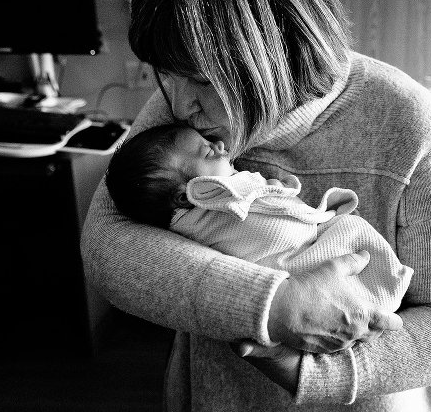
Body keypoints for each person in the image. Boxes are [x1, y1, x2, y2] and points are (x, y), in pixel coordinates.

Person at [81, 0, 431, 411]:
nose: (181, 104)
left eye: (202, 79)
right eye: (165, 74)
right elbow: (106, 243)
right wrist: (275, 304)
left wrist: (314, 372)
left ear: (275, 53)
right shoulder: (184, 111)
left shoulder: (406, 120)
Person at [104, 123, 413, 318]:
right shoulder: (216, 198)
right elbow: (278, 226)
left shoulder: (199, 208)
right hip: (290, 266)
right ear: (191, 194)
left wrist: (271, 192)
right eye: (208, 152)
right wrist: (275, 194)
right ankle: (378, 292)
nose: (221, 147)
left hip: (294, 274)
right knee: (350, 230)